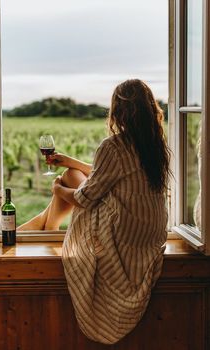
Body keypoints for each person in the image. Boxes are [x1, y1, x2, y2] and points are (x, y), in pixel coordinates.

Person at [18, 79, 171, 344]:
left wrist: (56, 188)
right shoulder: (156, 146)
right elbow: (112, 175)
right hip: (151, 233)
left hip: (123, 234)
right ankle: (42, 225)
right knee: (73, 171)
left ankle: (42, 227)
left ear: (118, 112)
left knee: (68, 178)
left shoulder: (113, 146)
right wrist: (72, 161)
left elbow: (85, 199)